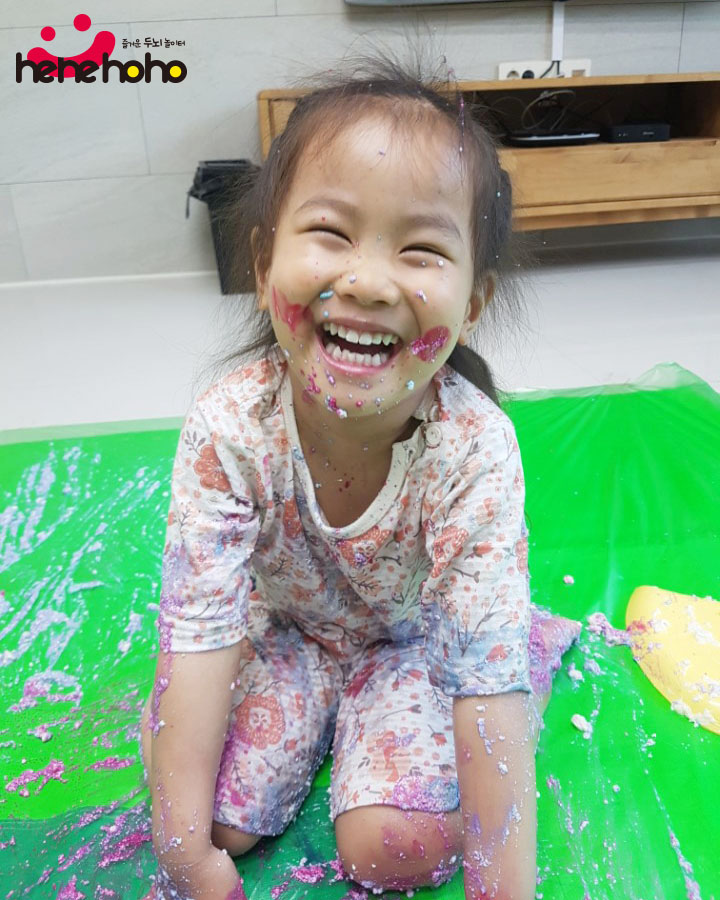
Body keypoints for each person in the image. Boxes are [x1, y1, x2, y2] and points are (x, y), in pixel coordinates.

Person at [140, 57, 580, 900]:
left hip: (416, 645)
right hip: (288, 633)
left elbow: (482, 689)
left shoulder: (474, 449)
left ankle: (519, 637)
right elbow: (197, 636)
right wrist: (185, 854)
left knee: (391, 849)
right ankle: (321, 721)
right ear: (263, 266)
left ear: (472, 304)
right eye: (332, 233)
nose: (369, 282)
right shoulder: (229, 428)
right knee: (214, 816)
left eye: (421, 249)